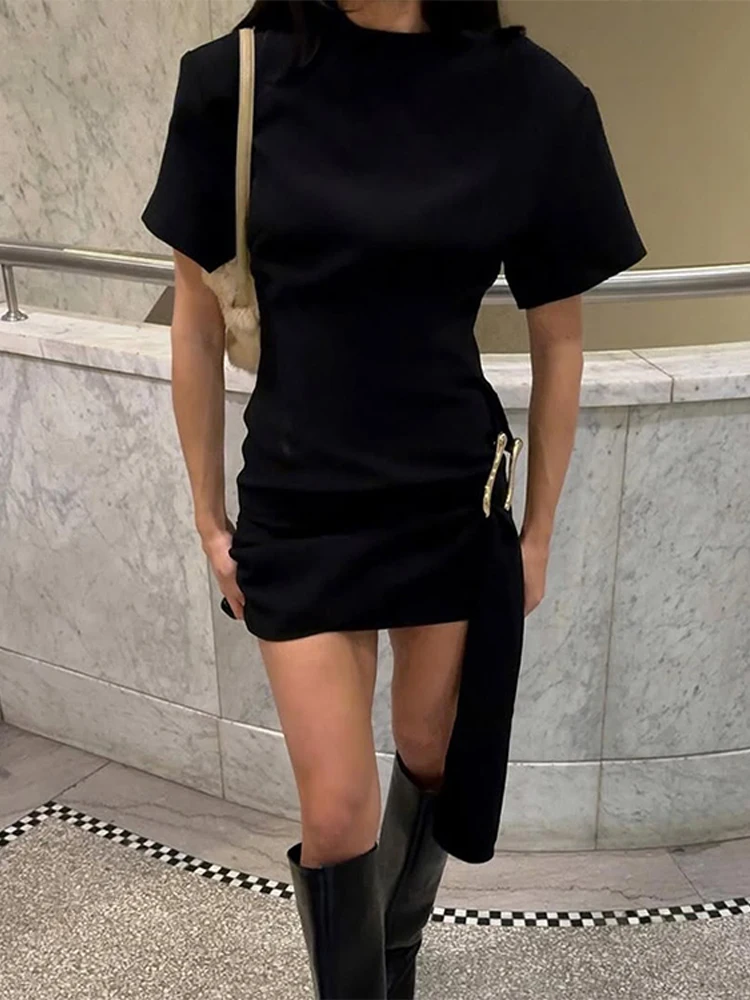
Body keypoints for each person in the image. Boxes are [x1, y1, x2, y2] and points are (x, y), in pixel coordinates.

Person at [142, 1, 646, 997]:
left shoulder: (528, 96)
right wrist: (207, 516)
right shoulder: (232, 81)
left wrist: (539, 534)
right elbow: (194, 320)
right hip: (299, 499)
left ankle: (396, 956)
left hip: (446, 497)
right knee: (337, 812)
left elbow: (560, 337)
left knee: (429, 753)